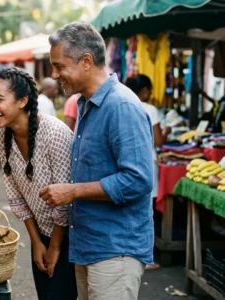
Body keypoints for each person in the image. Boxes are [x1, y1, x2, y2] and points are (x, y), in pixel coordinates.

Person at [41, 22, 154, 300]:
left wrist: (74, 191)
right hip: (90, 244)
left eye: (59, 66)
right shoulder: (86, 104)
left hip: (116, 247)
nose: (55, 75)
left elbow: (138, 179)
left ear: (87, 61)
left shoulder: (121, 106)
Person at [0, 67, 77, 299]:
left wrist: (55, 246)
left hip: (71, 236)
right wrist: (36, 242)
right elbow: (15, 194)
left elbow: (64, 201)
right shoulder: (2, 135)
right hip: (42, 234)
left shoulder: (54, 133)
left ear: (22, 101)